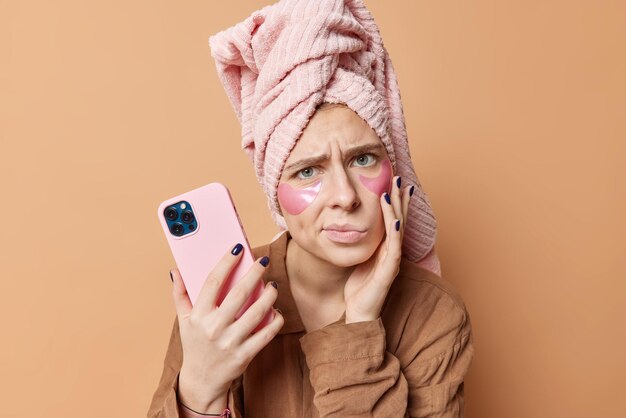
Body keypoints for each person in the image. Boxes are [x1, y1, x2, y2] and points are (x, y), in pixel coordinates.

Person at [148, 1, 474, 417]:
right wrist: (198, 391)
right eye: (307, 171)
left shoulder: (432, 312)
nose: (345, 195)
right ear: (275, 192)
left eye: (363, 159)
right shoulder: (220, 305)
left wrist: (358, 326)